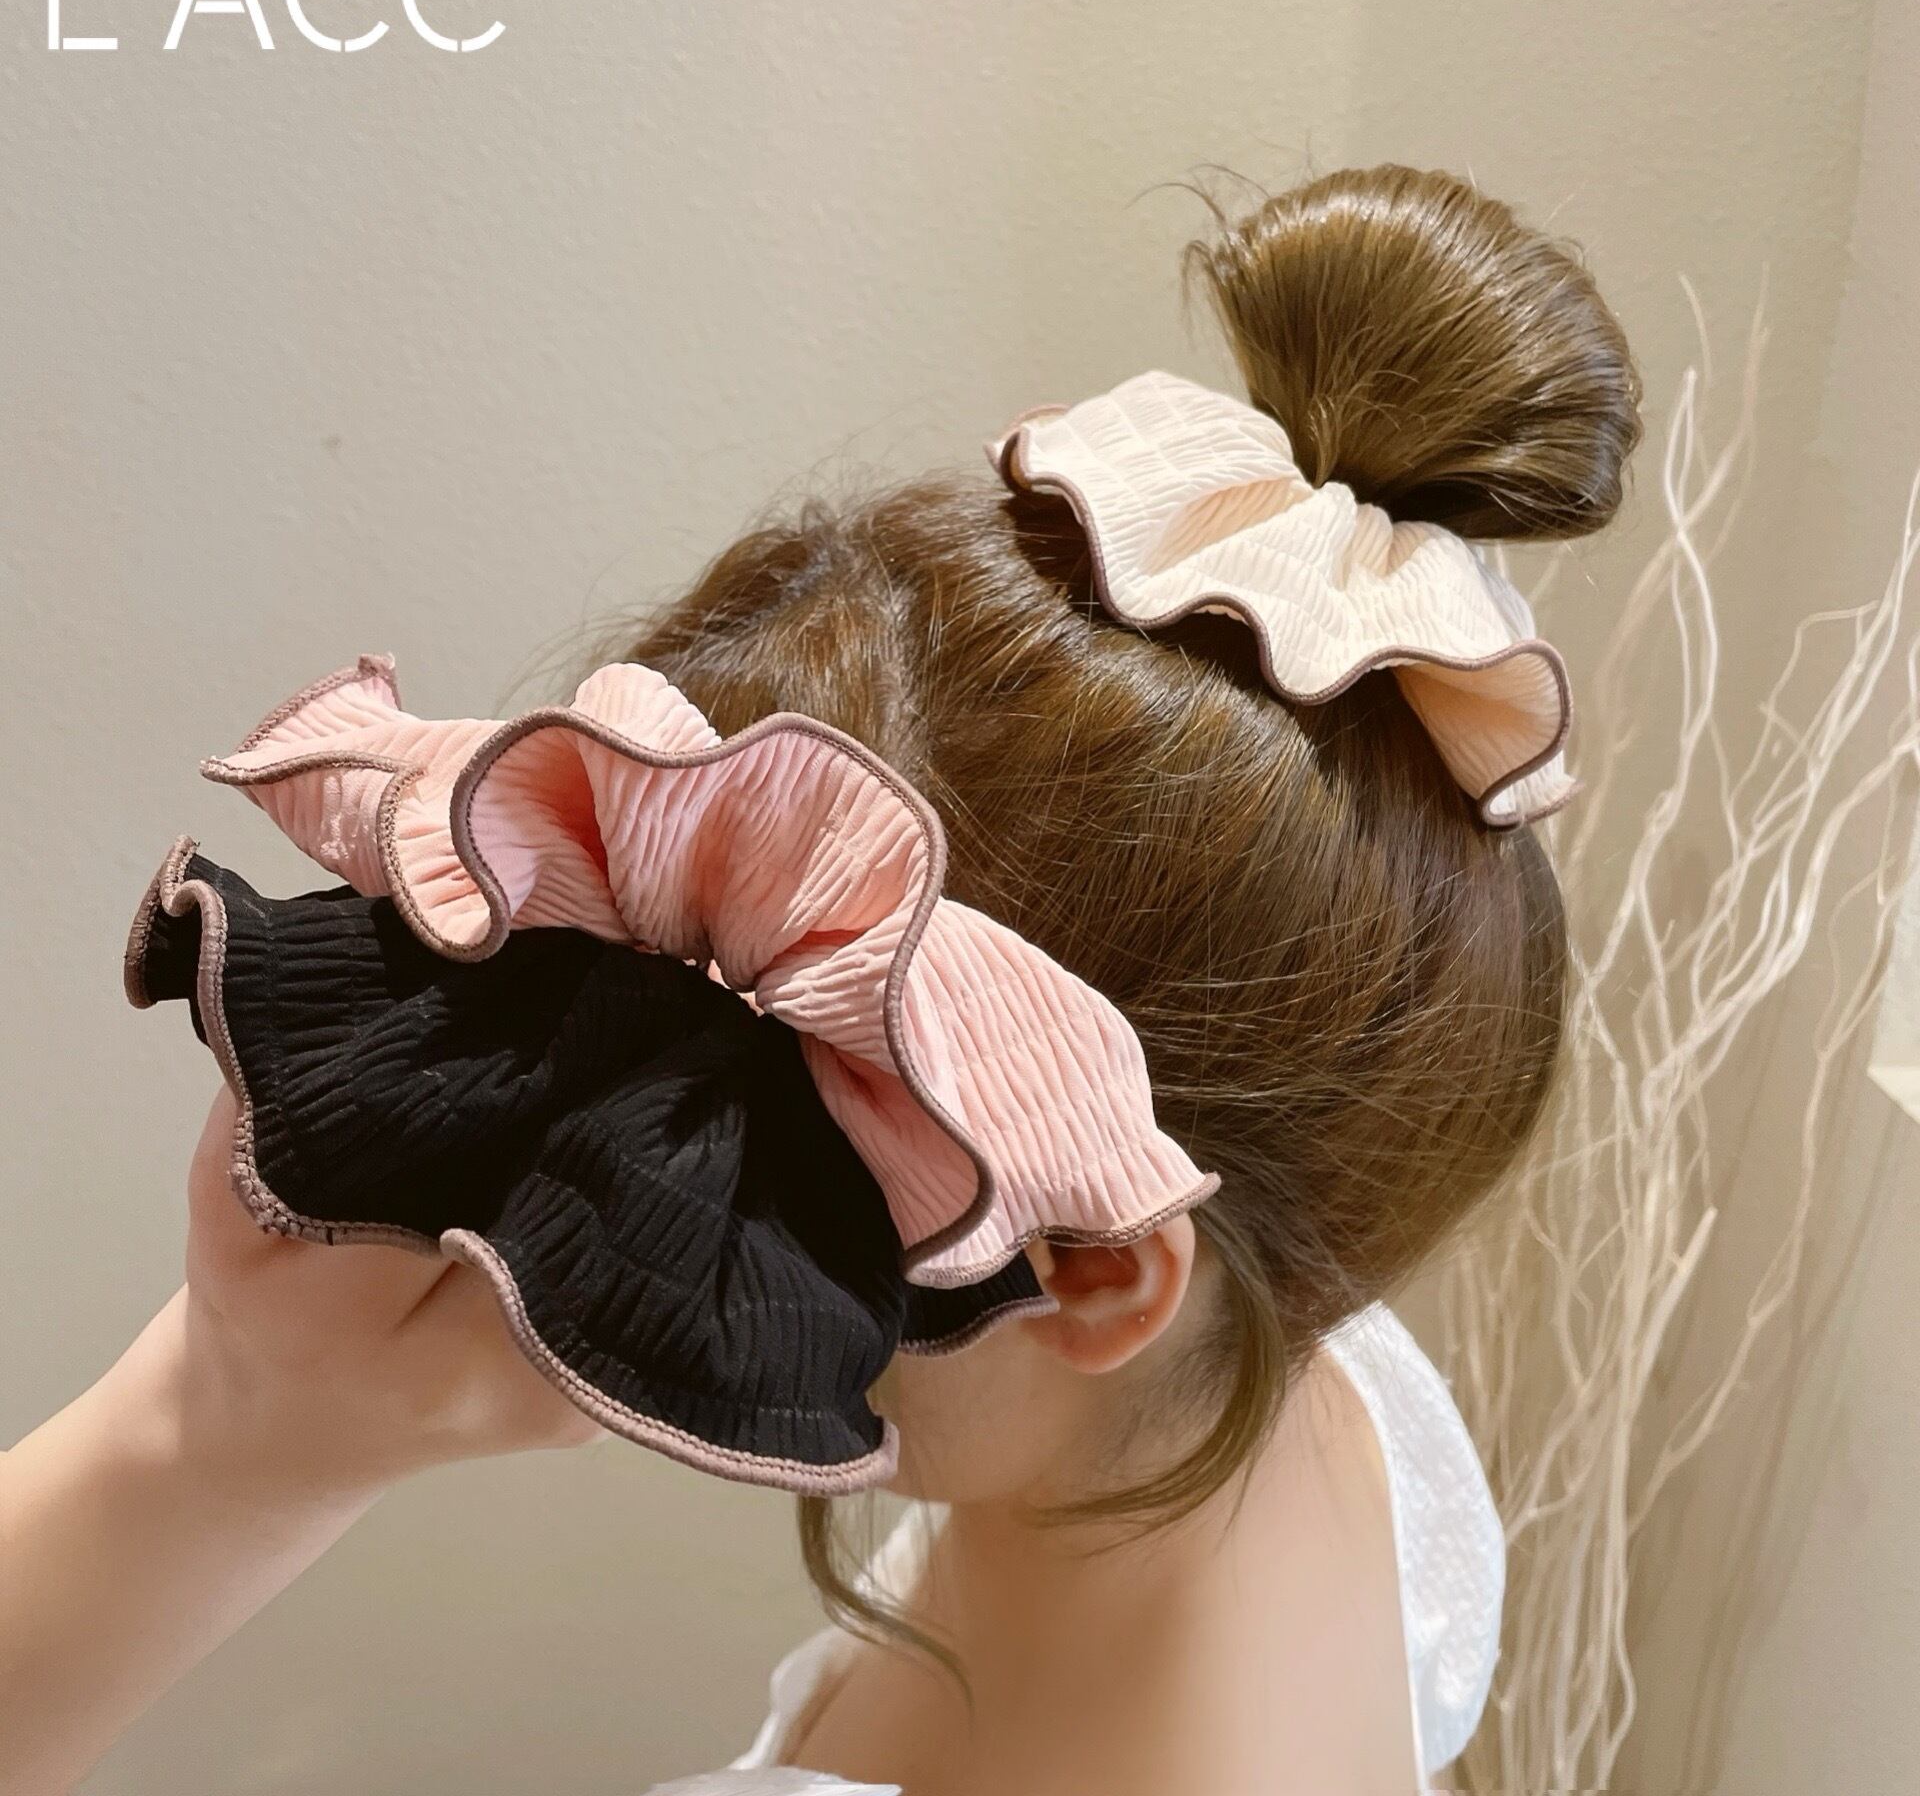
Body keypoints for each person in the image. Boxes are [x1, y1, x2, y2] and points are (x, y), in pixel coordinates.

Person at [0, 163, 1640, 1796]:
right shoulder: (1314, 1379)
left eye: (725, 1139)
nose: (611, 1159)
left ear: (1087, 1273)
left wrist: (218, 1448)